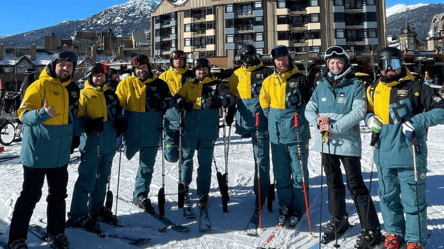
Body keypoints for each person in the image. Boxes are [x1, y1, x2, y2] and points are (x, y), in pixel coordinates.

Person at [366, 47, 444, 249]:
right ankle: (393, 233)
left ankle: (415, 239)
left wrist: (417, 121)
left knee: (413, 202)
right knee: (388, 198)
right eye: (385, 65)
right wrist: (369, 119)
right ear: (379, 67)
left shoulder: (416, 87)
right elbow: (366, 111)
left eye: (394, 64)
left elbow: (441, 109)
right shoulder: (373, 89)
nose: (390, 70)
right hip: (383, 155)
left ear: (401, 64)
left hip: (410, 155)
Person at [304, 46, 381, 248]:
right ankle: (339, 218)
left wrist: (334, 126)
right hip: (326, 141)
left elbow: (358, 112)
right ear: (327, 65)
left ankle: (371, 228)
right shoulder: (321, 85)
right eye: (331, 63)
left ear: (345, 63)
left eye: (338, 62)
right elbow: (309, 109)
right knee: (332, 182)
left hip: (347, 142)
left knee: (355, 184)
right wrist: (318, 123)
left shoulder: (354, 84)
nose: (335, 66)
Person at [8, 51, 81, 249]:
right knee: (30, 196)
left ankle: (56, 233)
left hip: (60, 155)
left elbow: (74, 115)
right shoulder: (40, 85)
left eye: (69, 65)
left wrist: (76, 135)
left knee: (58, 196)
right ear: (53, 65)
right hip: (37, 154)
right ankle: (16, 238)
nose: (65, 68)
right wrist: (42, 113)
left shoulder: (74, 88)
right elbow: (23, 114)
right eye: (62, 64)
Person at [67, 63, 127, 233]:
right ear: (89, 77)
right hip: (92, 142)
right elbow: (76, 120)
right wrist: (88, 124)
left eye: (102, 76)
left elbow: (117, 112)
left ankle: (96, 208)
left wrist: (120, 120)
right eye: (95, 76)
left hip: (108, 142)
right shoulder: (83, 95)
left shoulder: (111, 95)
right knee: (87, 178)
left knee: (103, 179)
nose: (99, 78)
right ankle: (77, 214)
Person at [259, 45, 314, 226]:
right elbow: (264, 103)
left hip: (297, 133)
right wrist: (275, 118)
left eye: (283, 58)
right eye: (277, 59)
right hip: (276, 136)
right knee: (281, 173)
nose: (280, 62)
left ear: (289, 59)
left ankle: (299, 205)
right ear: (273, 61)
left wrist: (297, 117)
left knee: (298, 173)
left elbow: (311, 104)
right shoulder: (268, 81)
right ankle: (284, 204)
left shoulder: (301, 80)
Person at [116, 54, 174, 213]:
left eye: (143, 67)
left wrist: (163, 103)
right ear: (133, 69)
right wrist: (118, 118)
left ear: (148, 67)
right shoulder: (126, 83)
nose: (141, 70)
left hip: (152, 129)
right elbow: (117, 103)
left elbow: (172, 101)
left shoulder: (160, 84)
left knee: (147, 166)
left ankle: (140, 194)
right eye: (137, 68)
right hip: (132, 130)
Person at [175, 58, 235, 210]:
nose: (201, 72)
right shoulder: (189, 85)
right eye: (198, 70)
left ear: (208, 70)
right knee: (186, 160)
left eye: (204, 69)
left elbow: (229, 98)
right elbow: (176, 97)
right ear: (195, 71)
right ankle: (185, 185)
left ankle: (203, 192)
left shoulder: (217, 84)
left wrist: (218, 102)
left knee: (205, 164)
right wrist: (182, 102)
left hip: (208, 130)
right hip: (189, 129)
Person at [227, 45, 273, 210]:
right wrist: (230, 113)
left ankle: (262, 191)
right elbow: (233, 96)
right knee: (258, 157)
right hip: (246, 121)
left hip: (263, 120)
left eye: (251, 57)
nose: (248, 61)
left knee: (261, 158)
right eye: (244, 58)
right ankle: (262, 188)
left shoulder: (266, 72)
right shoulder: (237, 75)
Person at [159, 50, 194, 164]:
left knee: (187, 153)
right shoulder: (164, 76)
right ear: (172, 61)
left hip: (188, 115)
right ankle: (169, 153)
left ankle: (184, 180)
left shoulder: (191, 75)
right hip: (171, 116)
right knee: (171, 155)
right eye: (175, 60)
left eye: (180, 59)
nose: (178, 61)